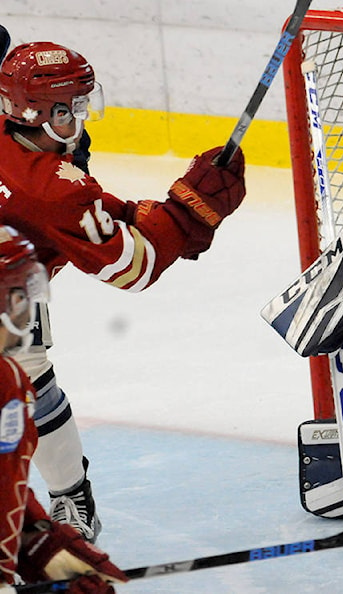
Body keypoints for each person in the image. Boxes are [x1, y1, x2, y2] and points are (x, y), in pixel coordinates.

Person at [0, 41, 246, 542]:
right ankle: (71, 498)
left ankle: (68, 499)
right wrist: (183, 216)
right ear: (44, 114)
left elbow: (66, 204)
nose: (84, 117)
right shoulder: (56, 190)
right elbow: (132, 268)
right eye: (73, 108)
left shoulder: (41, 170)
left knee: (29, 393)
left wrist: (142, 215)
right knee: (30, 394)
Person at [0, 225, 127, 593]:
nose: (25, 314)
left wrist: (40, 545)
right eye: (14, 295)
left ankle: (72, 496)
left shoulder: (9, 381)